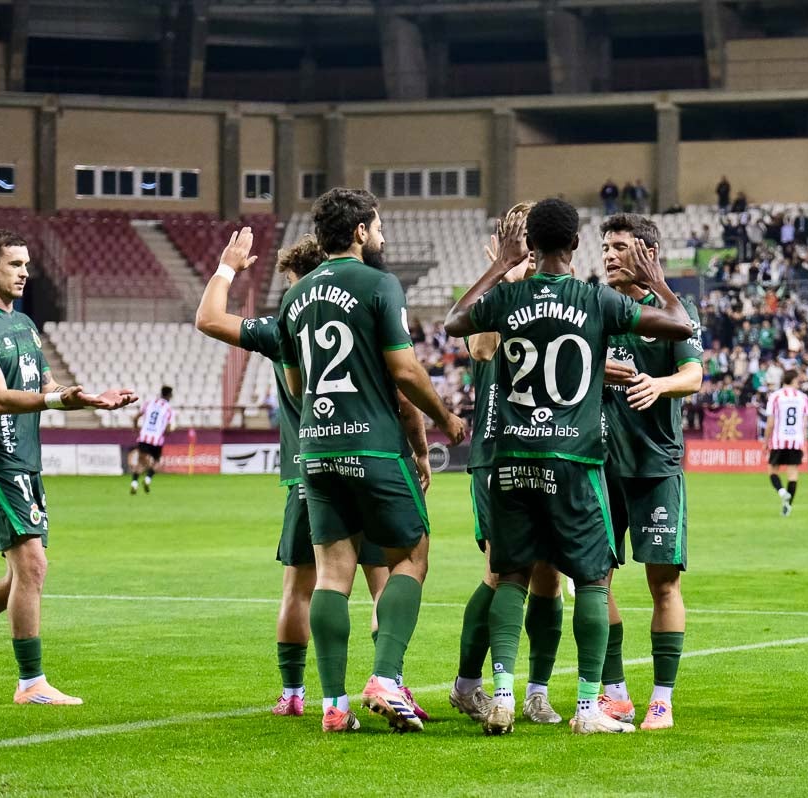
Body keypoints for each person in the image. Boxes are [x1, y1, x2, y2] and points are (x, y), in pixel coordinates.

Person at [443, 197, 694, 735]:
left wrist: (497, 265)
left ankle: (506, 693)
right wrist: (659, 281)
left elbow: (454, 321)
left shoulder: (507, 296)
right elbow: (680, 323)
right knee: (592, 580)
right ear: (577, 245)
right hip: (574, 460)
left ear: (528, 244)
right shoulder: (594, 299)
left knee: (509, 575)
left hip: (511, 456)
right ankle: (588, 708)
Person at [277, 188, 466, 734]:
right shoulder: (380, 283)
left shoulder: (293, 297)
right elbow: (405, 372)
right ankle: (385, 676)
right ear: (359, 230)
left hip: (315, 448)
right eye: (377, 225)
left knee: (332, 574)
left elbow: (295, 383)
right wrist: (448, 419)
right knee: (412, 553)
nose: (381, 235)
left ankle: (334, 705)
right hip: (373, 445)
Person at [194, 228, 403, 718]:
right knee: (383, 579)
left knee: (301, 586)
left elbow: (207, 318)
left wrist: (227, 267)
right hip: (370, 459)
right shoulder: (366, 316)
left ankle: (294, 694)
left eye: (291, 280)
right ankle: (388, 680)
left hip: (309, 472)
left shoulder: (284, 326)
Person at [0, 229, 137, 705]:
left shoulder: (27, 325)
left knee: (18, 578)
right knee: (33, 566)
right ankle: (30, 683)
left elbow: (47, 383)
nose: (25, 272)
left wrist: (88, 398)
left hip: (26, 464)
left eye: (27, 264)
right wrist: (58, 400)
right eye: (15, 264)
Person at [451, 204, 568, 727]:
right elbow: (478, 347)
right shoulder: (498, 291)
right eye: (513, 234)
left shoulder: (562, 289)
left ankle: (536, 692)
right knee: (501, 572)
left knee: (549, 576)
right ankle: (469, 685)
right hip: (497, 450)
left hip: (550, 447)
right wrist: (506, 275)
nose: (523, 244)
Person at [596, 213, 703, 731]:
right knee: (596, 578)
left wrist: (659, 385)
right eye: (606, 246)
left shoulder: (674, 313)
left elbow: (694, 375)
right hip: (600, 465)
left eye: (619, 247)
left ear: (646, 253)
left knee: (663, 584)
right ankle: (615, 692)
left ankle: (662, 699)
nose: (609, 255)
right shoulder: (595, 307)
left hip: (656, 465)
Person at [765, 377, 808, 517]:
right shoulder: (802, 397)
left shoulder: (776, 396)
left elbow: (771, 422)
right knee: (793, 475)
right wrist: (805, 443)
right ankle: (788, 506)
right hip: (796, 440)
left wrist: (766, 440)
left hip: (779, 439)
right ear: (794, 381)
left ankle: (782, 492)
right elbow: (804, 423)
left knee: (772, 471)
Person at [129, 386, 176, 494]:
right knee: (157, 461)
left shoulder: (148, 403)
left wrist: (136, 428)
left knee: (141, 463)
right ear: (170, 395)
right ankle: (148, 479)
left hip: (144, 437)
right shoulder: (169, 409)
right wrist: (170, 430)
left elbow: (136, 417)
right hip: (156, 440)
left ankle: (134, 483)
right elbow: (168, 429)